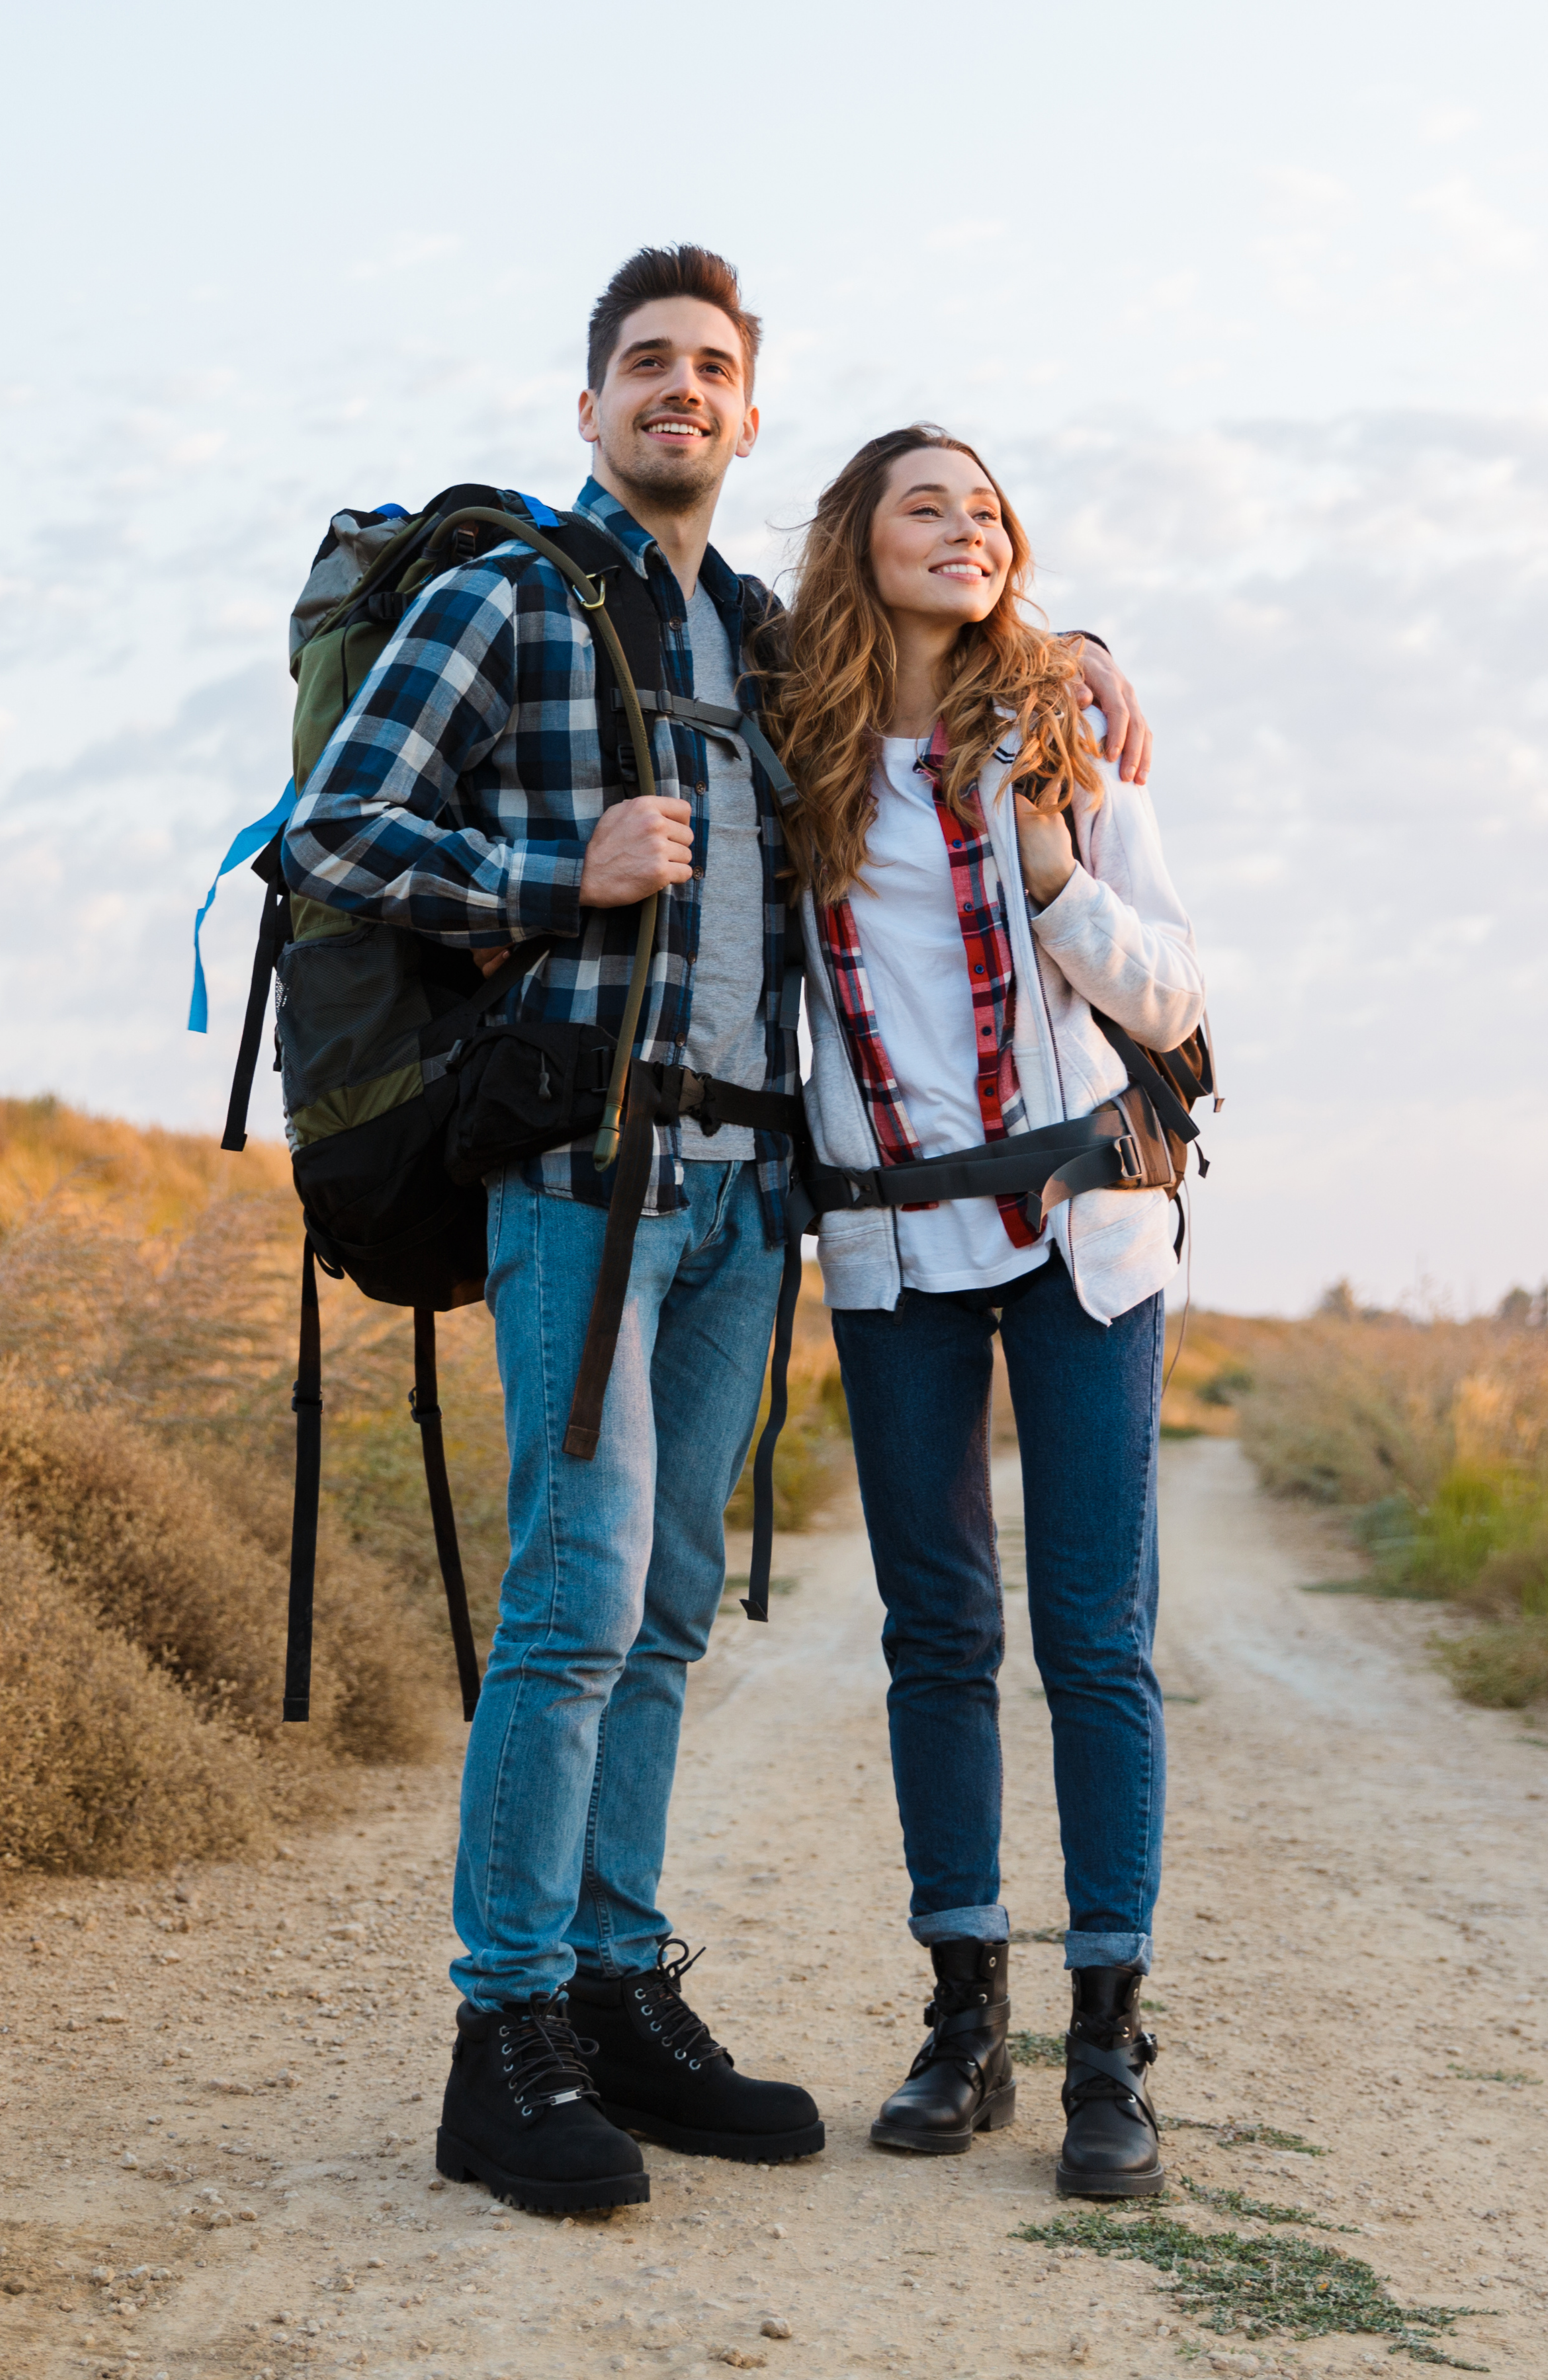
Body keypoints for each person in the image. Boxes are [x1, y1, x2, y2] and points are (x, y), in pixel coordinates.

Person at [283, 249, 1153, 2214]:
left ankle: (609, 1984)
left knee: (669, 1613)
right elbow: (331, 835)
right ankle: (498, 2034)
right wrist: (550, 862)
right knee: (575, 1603)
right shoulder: (509, 600)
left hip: (750, 1198)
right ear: (592, 406)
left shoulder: (767, 640)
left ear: (752, 422)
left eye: (714, 372)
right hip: (586, 1174)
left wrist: (1077, 641)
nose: (682, 392)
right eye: (647, 366)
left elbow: (935, 648)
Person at [755, 425, 1203, 2197]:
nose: (964, 528)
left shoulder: (1067, 735)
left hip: (1086, 1229)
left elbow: (1171, 986)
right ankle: (963, 2020)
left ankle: (1104, 2045)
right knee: (935, 1632)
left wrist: (1044, 864)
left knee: (1092, 1632)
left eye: (990, 510)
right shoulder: (794, 744)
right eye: (922, 504)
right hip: (888, 1253)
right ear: (854, 541)